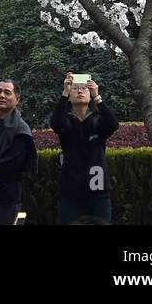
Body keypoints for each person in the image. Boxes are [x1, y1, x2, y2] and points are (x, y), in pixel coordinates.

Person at [50, 73, 119, 223]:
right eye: (75, 89)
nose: (80, 91)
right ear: (69, 96)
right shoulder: (66, 121)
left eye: (84, 88)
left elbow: (113, 124)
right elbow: (55, 123)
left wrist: (97, 96)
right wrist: (64, 92)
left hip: (98, 189)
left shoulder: (97, 121)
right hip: (70, 191)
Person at [0, 78, 36, 224]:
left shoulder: (21, 130)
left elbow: (11, 165)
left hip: (7, 199)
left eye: (7, 93)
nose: (1, 95)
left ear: (17, 99)